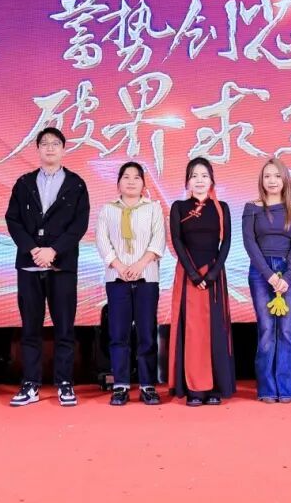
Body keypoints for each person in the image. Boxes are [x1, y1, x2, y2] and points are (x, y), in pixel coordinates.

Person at [5, 127, 91, 407]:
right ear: (38, 149)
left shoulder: (76, 184)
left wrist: (53, 251)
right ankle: (30, 384)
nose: (50, 148)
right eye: (45, 144)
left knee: (64, 327)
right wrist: (33, 250)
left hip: (61, 265)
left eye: (55, 144)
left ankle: (65, 383)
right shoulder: (24, 183)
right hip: (29, 265)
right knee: (30, 328)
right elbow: (13, 220)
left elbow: (79, 224)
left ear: (64, 149)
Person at [95, 162, 167, 406]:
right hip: (117, 279)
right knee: (118, 334)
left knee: (147, 333)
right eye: (126, 177)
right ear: (118, 183)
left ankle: (148, 385)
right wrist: (119, 266)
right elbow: (102, 241)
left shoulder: (153, 208)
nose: (131, 182)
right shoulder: (107, 210)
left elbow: (158, 241)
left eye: (137, 177)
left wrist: (139, 265)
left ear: (143, 184)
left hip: (147, 278)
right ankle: (121, 385)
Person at [168, 156, 236, 405]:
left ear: (212, 181)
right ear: (187, 181)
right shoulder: (178, 207)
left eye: (204, 176)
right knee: (193, 331)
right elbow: (176, 241)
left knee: (215, 330)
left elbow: (226, 242)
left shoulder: (222, 208)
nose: (199, 180)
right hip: (189, 276)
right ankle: (194, 390)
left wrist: (213, 273)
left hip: (214, 275)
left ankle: (215, 388)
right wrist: (194, 274)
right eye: (194, 176)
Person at [242, 157, 291, 403]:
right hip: (261, 273)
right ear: (261, 180)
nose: (272, 181)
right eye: (267, 176)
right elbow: (250, 243)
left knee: (287, 330)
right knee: (267, 329)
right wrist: (269, 275)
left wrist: (287, 276)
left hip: (289, 272)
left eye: (277, 176)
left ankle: (288, 388)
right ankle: (267, 388)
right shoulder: (252, 207)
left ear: (285, 180)